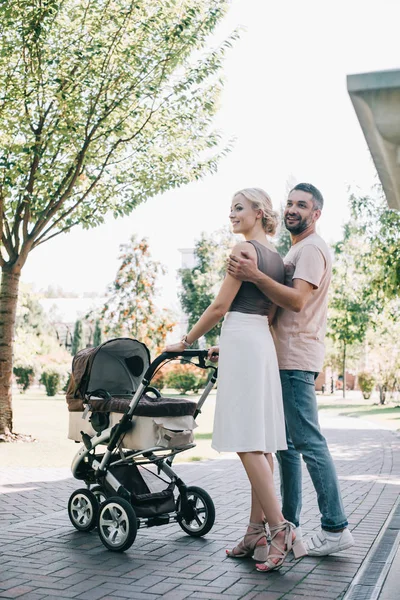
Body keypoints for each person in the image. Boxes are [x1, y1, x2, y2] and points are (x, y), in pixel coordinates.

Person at [166, 188, 307, 572]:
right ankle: (254, 532)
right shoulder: (277, 259)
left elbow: (220, 306)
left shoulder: (243, 252)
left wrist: (187, 340)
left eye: (239, 208)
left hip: (245, 338)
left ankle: (279, 529)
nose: (231, 214)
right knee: (261, 445)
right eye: (230, 208)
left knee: (247, 442)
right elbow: (268, 311)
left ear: (259, 213)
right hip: (258, 340)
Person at [227, 182, 354, 556]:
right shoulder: (297, 248)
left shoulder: (312, 249)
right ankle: (289, 523)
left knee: (308, 442)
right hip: (279, 355)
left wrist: (255, 276)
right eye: (290, 203)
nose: (293, 209)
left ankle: (335, 527)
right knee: (285, 449)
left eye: (303, 205)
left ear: (316, 214)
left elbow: (297, 301)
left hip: (296, 357)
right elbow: (272, 309)